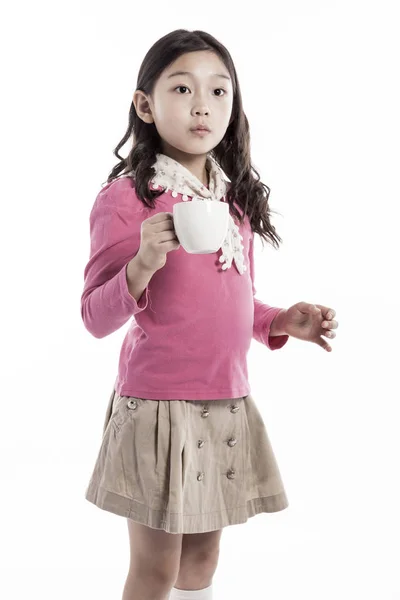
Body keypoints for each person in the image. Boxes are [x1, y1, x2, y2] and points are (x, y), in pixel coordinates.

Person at [80, 29, 339, 600]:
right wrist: (144, 262)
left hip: (226, 400)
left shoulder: (233, 198)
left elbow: (236, 302)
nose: (203, 105)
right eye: (182, 88)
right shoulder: (128, 199)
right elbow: (94, 318)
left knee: (201, 565)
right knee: (156, 570)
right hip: (156, 407)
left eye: (219, 91)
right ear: (145, 105)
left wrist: (280, 321)